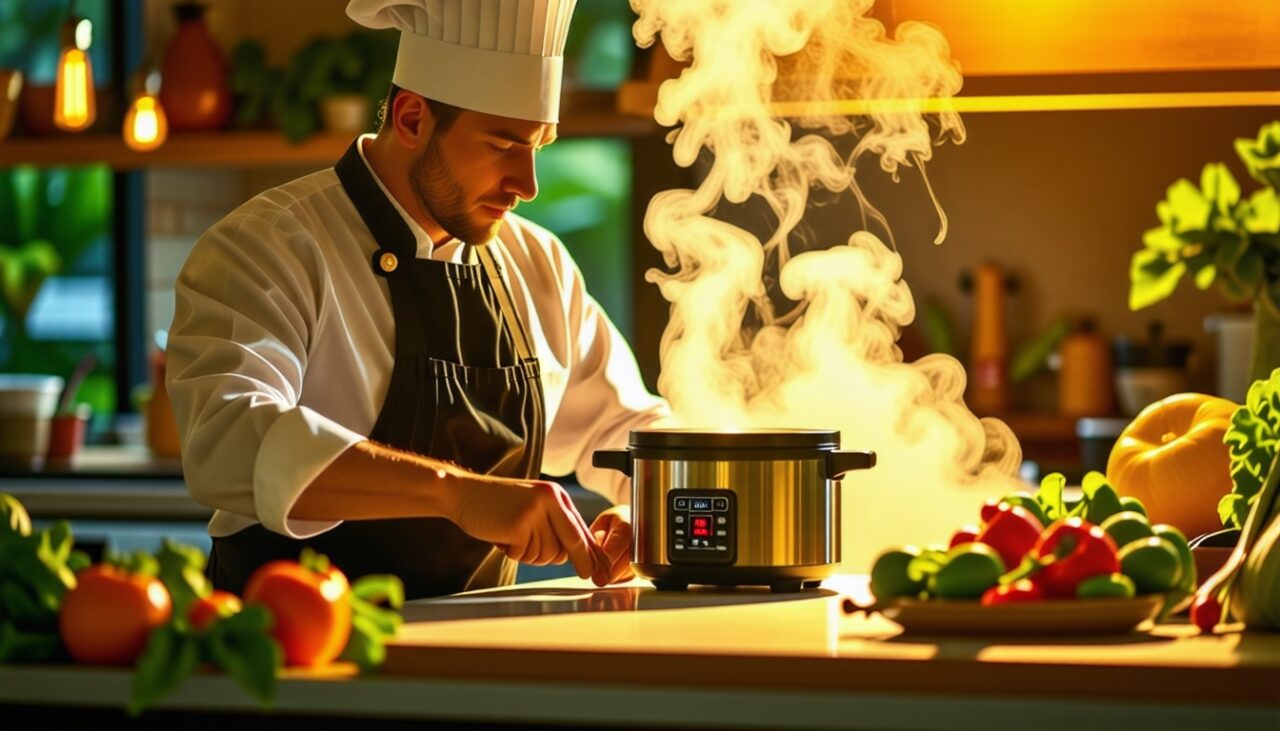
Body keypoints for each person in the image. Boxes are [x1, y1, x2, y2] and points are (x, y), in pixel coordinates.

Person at [166, 0, 668, 599]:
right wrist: (456, 493)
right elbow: (228, 438)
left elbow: (632, 427)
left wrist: (645, 518)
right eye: (502, 145)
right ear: (410, 118)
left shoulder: (537, 264)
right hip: (296, 660)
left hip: (480, 662)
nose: (527, 185)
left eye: (539, 146)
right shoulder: (268, 247)